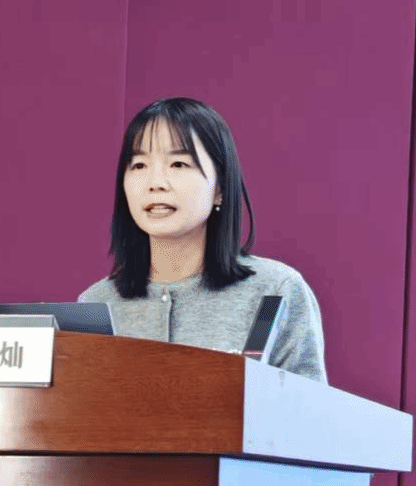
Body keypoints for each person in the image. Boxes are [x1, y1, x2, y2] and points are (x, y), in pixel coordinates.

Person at [79, 97, 327, 382]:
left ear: (219, 188)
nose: (155, 183)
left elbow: (309, 408)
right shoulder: (95, 304)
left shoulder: (276, 291)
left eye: (178, 164)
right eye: (139, 165)